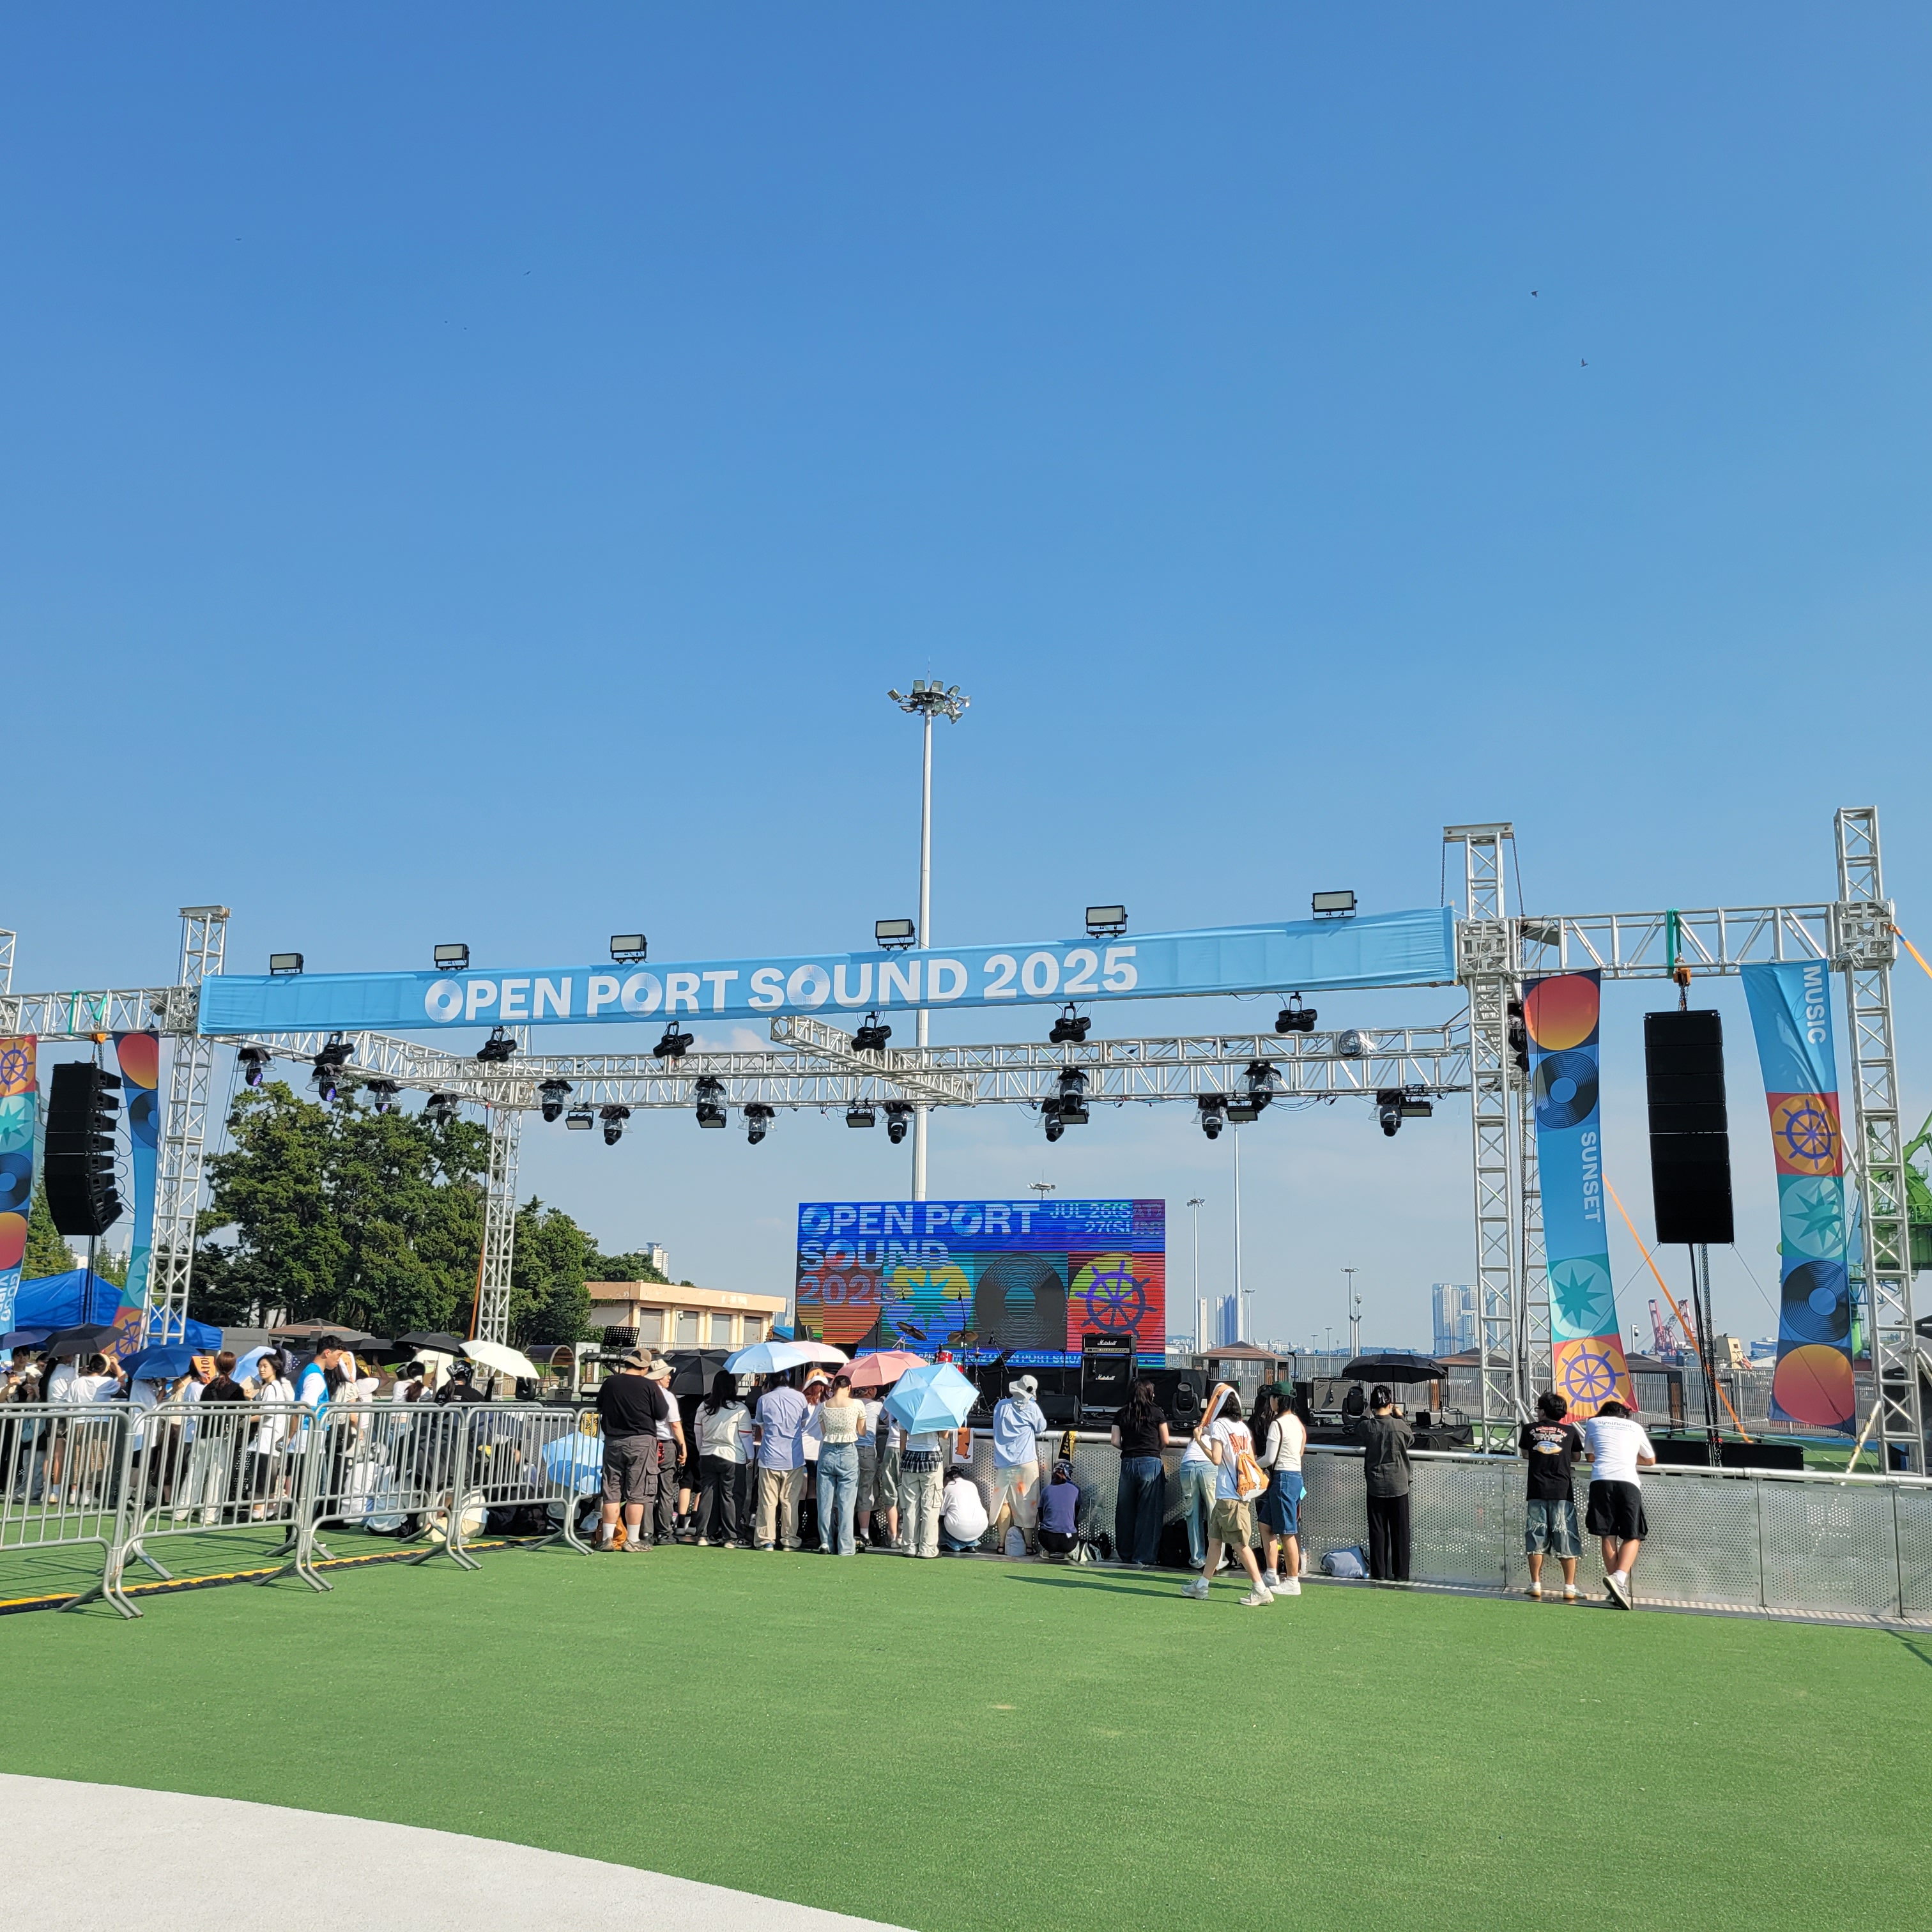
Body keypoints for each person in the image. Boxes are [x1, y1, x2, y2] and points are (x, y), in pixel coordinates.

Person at [1182, 1381, 1272, 1606]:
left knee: (1239, 1544)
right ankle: (1202, 1585)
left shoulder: (1219, 1426)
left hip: (1228, 1493)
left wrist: (1199, 1439)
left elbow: (1216, 1458)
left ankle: (1260, 1588)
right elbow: (1248, 1456)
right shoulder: (1242, 1428)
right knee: (1215, 1540)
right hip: (1240, 1492)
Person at [1581, 1398, 1655, 1609]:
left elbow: (1590, 1457)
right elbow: (1650, 1460)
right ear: (1625, 1415)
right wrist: (1630, 1458)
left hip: (1601, 1481)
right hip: (1628, 1482)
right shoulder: (1635, 1427)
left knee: (1608, 1534)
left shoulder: (1593, 1423)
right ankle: (1619, 1578)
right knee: (1634, 1534)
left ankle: (1616, 1585)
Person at [594, 1349, 670, 1552]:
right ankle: (633, 1540)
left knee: (611, 1492)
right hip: (641, 1442)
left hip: (613, 1441)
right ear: (645, 1367)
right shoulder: (649, 1385)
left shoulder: (610, 1383)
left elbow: (599, 1404)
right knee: (637, 1493)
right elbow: (662, 1413)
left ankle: (607, 1539)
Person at [1519, 1390, 1584, 1602]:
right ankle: (1569, 1586)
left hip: (1536, 1489)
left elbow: (1525, 1453)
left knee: (1536, 1535)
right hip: (1562, 1491)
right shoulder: (1570, 1431)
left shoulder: (1529, 1429)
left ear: (1543, 1411)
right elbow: (1576, 1456)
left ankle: (1535, 1583)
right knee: (1566, 1536)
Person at [1110, 1377, 1170, 1568]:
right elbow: (1166, 1439)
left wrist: (1129, 1450)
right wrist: (1154, 1450)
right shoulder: (1157, 1412)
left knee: (1125, 1511)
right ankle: (1143, 1556)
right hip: (1151, 1462)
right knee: (1149, 1512)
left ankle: (1126, 1553)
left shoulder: (1122, 1413)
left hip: (1128, 1462)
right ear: (1150, 1394)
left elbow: (1114, 1441)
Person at [1252, 1383, 1306, 1596]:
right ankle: (1271, 1573)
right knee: (1265, 1524)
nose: (1270, 1401)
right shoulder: (1296, 1422)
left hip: (1283, 1479)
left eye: (1272, 1397)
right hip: (1293, 1477)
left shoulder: (1278, 1424)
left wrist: (1251, 1463)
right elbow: (1300, 1451)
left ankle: (1292, 1580)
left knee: (1287, 1533)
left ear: (1278, 1400)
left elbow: (1269, 1458)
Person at [989, 1373, 1049, 1556]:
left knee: (1004, 1502)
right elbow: (1041, 1427)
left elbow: (995, 1426)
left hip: (1003, 1463)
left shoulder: (1001, 1406)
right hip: (1026, 1461)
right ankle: (1029, 1545)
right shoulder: (1032, 1407)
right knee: (1027, 1503)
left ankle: (1001, 1543)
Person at [1361, 1385, 1413, 1583]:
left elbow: (1359, 1427)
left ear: (1373, 1406)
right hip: (1398, 1483)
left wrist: (1367, 1411)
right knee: (1401, 1531)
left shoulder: (1368, 1426)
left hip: (1376, 1484)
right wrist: (1400, 1416)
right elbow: (1410, 1438)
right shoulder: (1399, 1426)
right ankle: (1401, 1573)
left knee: (1378, 1530)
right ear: (1390, 1405)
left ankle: (1379, 1572)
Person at [752, 1372, 810, 1551]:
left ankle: (766, 1540)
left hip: (769, 1456)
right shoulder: (800, 1397)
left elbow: (761, 1424)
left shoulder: (764, 1400)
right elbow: (803, 1423)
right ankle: (789, 1539)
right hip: (793, 1457)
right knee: (790, 1501)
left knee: (768, 1502)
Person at [693, 1368, 751, 1547]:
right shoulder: (740, 1408)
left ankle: (704, 1534)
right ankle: (731, 1537)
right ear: (733, 1387)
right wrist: (750, 1457)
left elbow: (698, 1433)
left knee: (708, 1494)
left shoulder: (704, 1407)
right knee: (731, 1496)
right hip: (732, 1456)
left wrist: (702, 1451)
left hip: (707, 1454)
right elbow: (746, 1437)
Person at [813, 1373, 868, 1556]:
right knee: (846, 1503)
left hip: (828, 1452)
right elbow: (862, 1431)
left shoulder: (824, 1407)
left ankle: (825, 1543)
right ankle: (845, 1546)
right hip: (848, 1452)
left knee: (825, 1502)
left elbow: (824, 1432)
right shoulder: (857, 1405)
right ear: (849, 1388)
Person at [643, 1359, 687, 1547]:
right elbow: (675, 1424)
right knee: (666, 1492)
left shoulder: (643, 1394)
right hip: (666, 1445)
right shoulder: (667, 1396)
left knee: (646, 1492)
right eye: (666, 1374)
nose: (669, 1377)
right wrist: (683, 1446)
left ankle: (645, 1531)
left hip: (646, 1444)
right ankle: (664, 1532)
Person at [1174, 1391, 1219, 1570]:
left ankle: (1197, 1558)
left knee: (1192, 1514)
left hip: (1187, 1466)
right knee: (1214, 1513)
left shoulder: (1196, 1435)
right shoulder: (1217, 1429)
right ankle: (1217, 1560)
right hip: (1208, 1466)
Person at [898, 1422, 947, 1559]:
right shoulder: (937, 1412)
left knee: (910, 1506)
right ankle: (927, 1548)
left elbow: (902, 1441)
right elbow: (944, 1435)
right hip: (932, 1458)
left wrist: (902, 1462)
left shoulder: (906, 1412)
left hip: (910, 1458)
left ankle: (909, 1547)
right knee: (930, 1506)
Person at [939, 1465, 989, 1552]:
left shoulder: (947, 1488)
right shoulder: (972, 1485)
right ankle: (971, 1545)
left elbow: (941, 1513)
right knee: (968, 1519)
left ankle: (952, 1544)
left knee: (944, 1520)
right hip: (980, 1526)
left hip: (958, 1528)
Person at [1038, 1459, 1081, 1558]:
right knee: (1074, 1521)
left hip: (1047, 1541)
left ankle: (1048, 1551)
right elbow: (1076, 1514)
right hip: (1068, 1540)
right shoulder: (1076, 1490)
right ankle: (1069, 1552)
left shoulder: (1046, 1490)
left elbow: (1041, 1516)